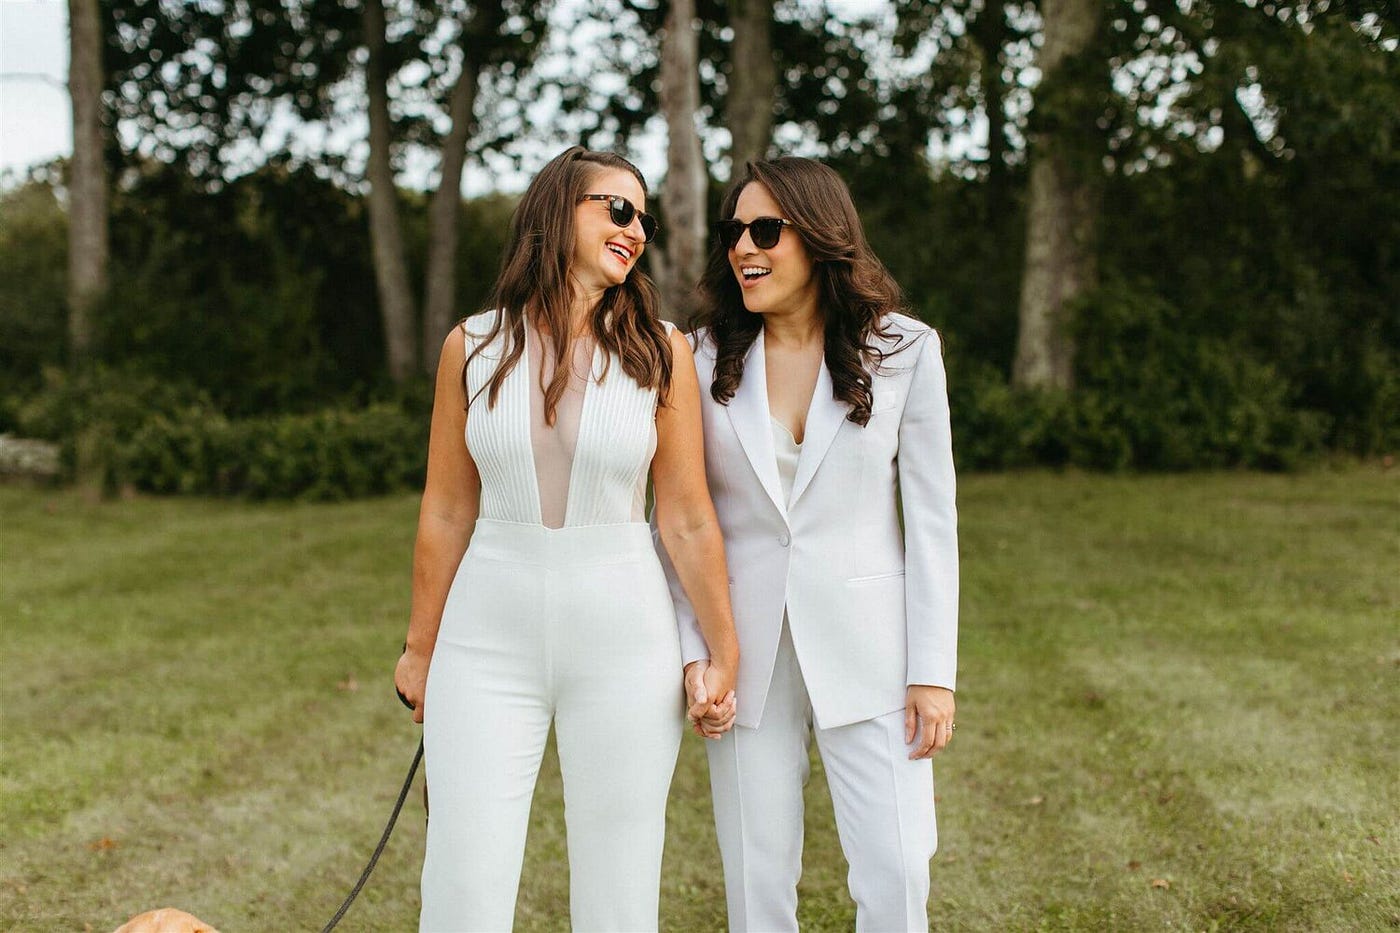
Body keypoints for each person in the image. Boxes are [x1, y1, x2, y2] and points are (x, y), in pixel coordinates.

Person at [393, 146, 739, 933]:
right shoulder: (471, 346)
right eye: (616, 208)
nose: (635, 229)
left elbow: (685, 515)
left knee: (620, 881)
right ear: (557, 214)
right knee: (462, 875)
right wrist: (421, 646)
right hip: (486, 634)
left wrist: (723, 649)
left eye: (643, 218)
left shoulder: (663, 351)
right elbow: (446, 509)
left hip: (623, 634)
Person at [665, 157, 959, 932]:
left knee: (898, 870)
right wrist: (698, 654)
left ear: (823, 236)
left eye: (766, 229)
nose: (743, 248)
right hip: (743, 656)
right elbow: (679, 520)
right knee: (757, 882)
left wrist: (933, 672)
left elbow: (932, 523)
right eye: (734, 231)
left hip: (874, 651)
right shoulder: (695, 360)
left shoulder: (905, 351)